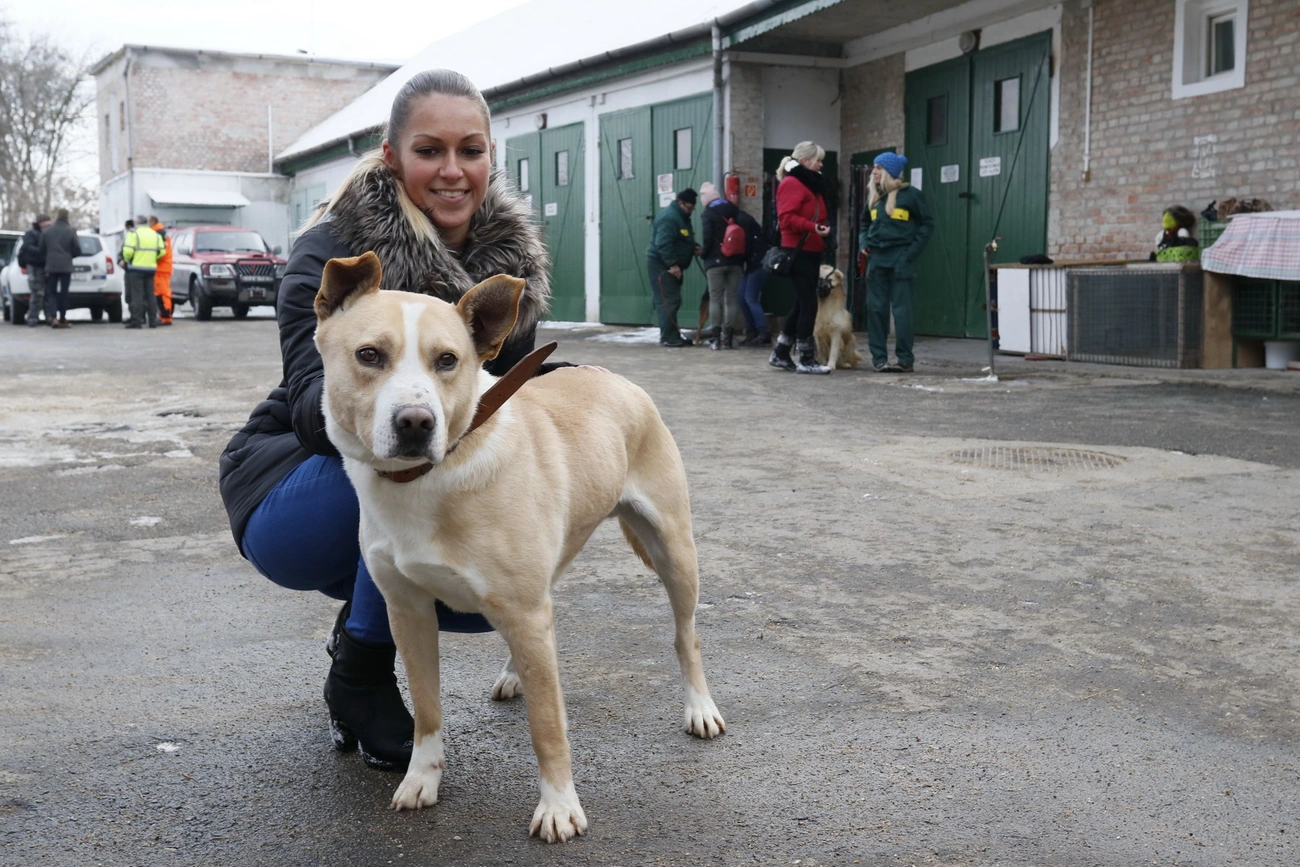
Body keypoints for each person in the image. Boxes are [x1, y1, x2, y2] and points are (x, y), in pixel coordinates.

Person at [218, 69, 554, 773]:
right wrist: (405, 411)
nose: (454, 170)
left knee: (473, 587)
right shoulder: (331, 253)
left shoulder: (507, 269)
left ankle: (376, 613)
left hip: (418, 477)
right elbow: (312, 404)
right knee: (405, 474)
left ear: (493, 155)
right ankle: (363, 670)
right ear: (392, 153)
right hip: (297, 476)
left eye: (472, 150)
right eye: (430, 150)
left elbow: (499, 403)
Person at [858, 152, 934, 373]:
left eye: (878, 168)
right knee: (876, 310)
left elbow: (926, 225)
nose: (873, 172)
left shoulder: (911, 196)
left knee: (902, 312)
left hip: (901, 258)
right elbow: (864, 223)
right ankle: (879, 359)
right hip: (877, 259)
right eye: (874, 167)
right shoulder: (873, 197)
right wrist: (864, 242)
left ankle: (904, 360)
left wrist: (910, 253)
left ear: (889, 172)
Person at [768, 142, 832, 374]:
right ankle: (806, 358)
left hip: (811, 250)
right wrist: (813, 227)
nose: (821, 164)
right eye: (818, 160)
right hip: (798, 251)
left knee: (801, 303)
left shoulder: (809, 183)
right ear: (805, 161)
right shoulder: (792, 183)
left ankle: (782, 352)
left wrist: (820, 229)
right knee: (808, 304)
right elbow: (786, 219)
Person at [646, 188, 699, 347]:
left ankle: (673, 334)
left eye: (692, 208)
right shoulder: (669, 218)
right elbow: (663, 243)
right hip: (662, 265)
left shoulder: (681, 216)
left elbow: (682, 239)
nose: (690, 211)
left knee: (673, 300)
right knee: (668, 301)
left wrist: (693, 248)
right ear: (680, 203)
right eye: (689, 207)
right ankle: (668, 337)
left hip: (670, 264)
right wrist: (673, 265)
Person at [697, 182, 745, 350]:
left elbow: (708, 239)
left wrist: (703, 254)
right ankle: (729, 339)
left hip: (715, 262)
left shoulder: (708, 214)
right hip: (736, 261)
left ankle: (716, 339)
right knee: (732, 298)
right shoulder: (734, 209)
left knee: (715, 298)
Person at [37, 209, 81, 330]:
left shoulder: (47, 231)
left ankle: (53, 317)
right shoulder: (70, 231)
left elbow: (41, 249)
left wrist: (49, 257)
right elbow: (78, 249)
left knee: (52, 292)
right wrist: (68, 256)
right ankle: (63, 318)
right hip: (66, 266)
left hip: (51, 266)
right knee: (64, 292)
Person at [734, 206, 771, 347]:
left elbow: (744, 246)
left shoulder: (741, 222)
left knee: (749, 297)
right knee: (742, 297)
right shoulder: (744, 220)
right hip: (753, 263)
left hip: (758, 263)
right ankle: (752, 331)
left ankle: (762, 332)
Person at [121, 216, 165, 329]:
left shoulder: (133, 234)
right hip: (150, 268)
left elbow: (127, 251)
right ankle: (153, 320)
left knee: (137, 296)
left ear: (137, 223)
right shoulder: (155, 234)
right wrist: (152, 259)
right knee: (150, 295)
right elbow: (162, 251)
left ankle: (137, 321)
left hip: (136, 268)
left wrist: (127, 260)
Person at [18, 214, 51, 327]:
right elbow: (28, 247)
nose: (48, 225)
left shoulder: (46, 232)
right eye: (46, 222)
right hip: (35, 266)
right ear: (41, 223)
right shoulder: (31, 233)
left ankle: (48, 317)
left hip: (45, 266)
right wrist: (42, 251)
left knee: (47, 293)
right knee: (37, 293)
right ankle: (33, 318)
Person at [150, 216, 175, 324]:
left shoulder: (159, 234)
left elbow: (162, 253)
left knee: (162, 294)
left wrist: (151, 259)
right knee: (162, 293)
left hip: (161, 268)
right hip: (163, 268)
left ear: (152, 222)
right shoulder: (161, 233)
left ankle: (166, 317)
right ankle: (164, 316)